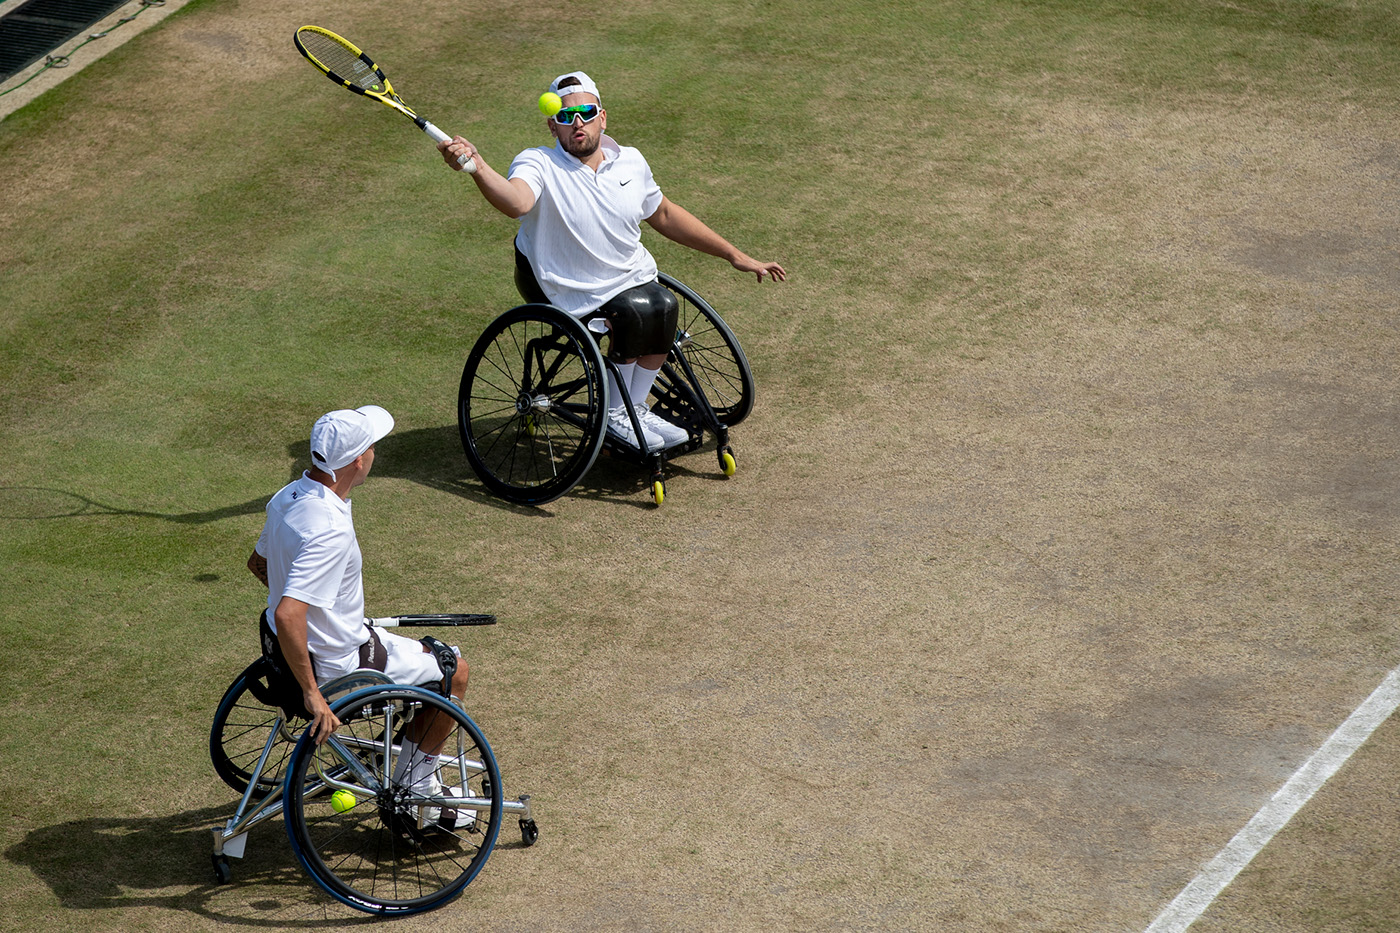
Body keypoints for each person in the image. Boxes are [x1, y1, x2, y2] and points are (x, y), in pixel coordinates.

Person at [437, 70, 785, 451]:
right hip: (561, 282)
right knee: (636, 313)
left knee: (664, 306)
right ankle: (616, 415)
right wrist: (478, 168)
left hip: (626, 276)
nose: (578, 123)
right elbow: (517, 202)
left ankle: (634, 406)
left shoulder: (631, 162)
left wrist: (735, 255)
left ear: (603, 117)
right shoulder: (536, 163)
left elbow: (665, 214)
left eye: (586, 112)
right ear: (553, 127)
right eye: (566, 117)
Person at [246, 405, 469, 814]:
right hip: (342, 666)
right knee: (454, 668)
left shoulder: (287, 497)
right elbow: (288, 614)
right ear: (357, 461)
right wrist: (314, 694)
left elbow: (259, 565)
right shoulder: (329, 530)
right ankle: (416, 791)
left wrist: (319, 614)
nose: (374, 453)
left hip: (305, 648)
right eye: (371, 446)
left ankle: (407, 754)